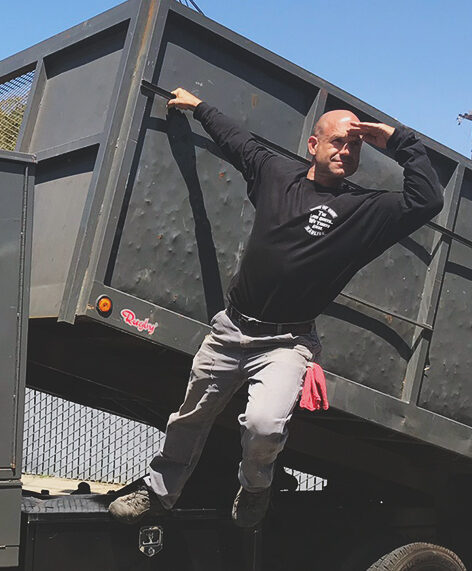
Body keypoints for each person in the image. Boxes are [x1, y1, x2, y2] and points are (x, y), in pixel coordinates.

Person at [108, 87, 444, 528]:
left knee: (264, 425)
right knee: (190, 417)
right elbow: (237, 140)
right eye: (337, 141)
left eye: (354, 145)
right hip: (230, 330)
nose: (345, 150)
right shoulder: (275, 173)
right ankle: (158, 493)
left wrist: (399, 140)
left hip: (287, 342)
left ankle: (256, 486)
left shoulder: (366, 210)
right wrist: (198, 107)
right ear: (314, 145)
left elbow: (427, 200)